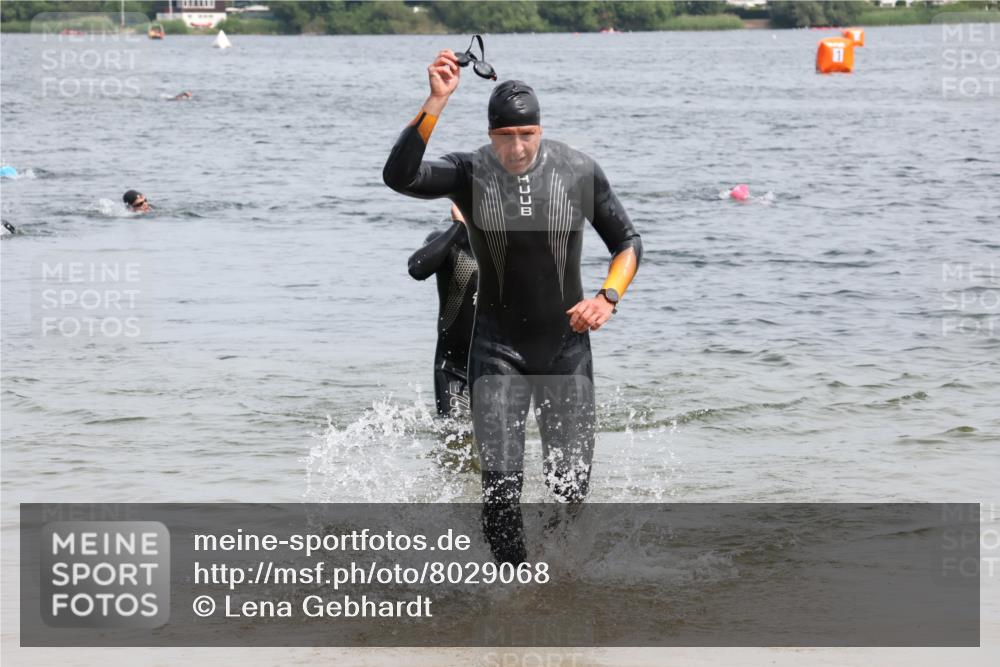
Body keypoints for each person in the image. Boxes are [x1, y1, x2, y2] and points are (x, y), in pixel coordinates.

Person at [384, 50, 642, 562]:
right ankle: (513, 594)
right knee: (500, 488)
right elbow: (400, 176)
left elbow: (628, 242)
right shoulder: (468, 171)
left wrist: (608, 297)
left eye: (527, 135)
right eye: (506, 137)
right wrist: (437, 100)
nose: (518, 147)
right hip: (497, 348)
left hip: (565, 349)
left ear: (540, 130)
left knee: (570, 489)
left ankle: (554, 571)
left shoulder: (578, 171)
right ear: (491, 134)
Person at [408, 204, 479, 418]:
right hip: (454, 371)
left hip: (501, 367)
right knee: (454, 443)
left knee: (501, 444)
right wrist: (459, 227)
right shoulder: (448, 242)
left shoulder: (514, 247)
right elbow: (418, 268)